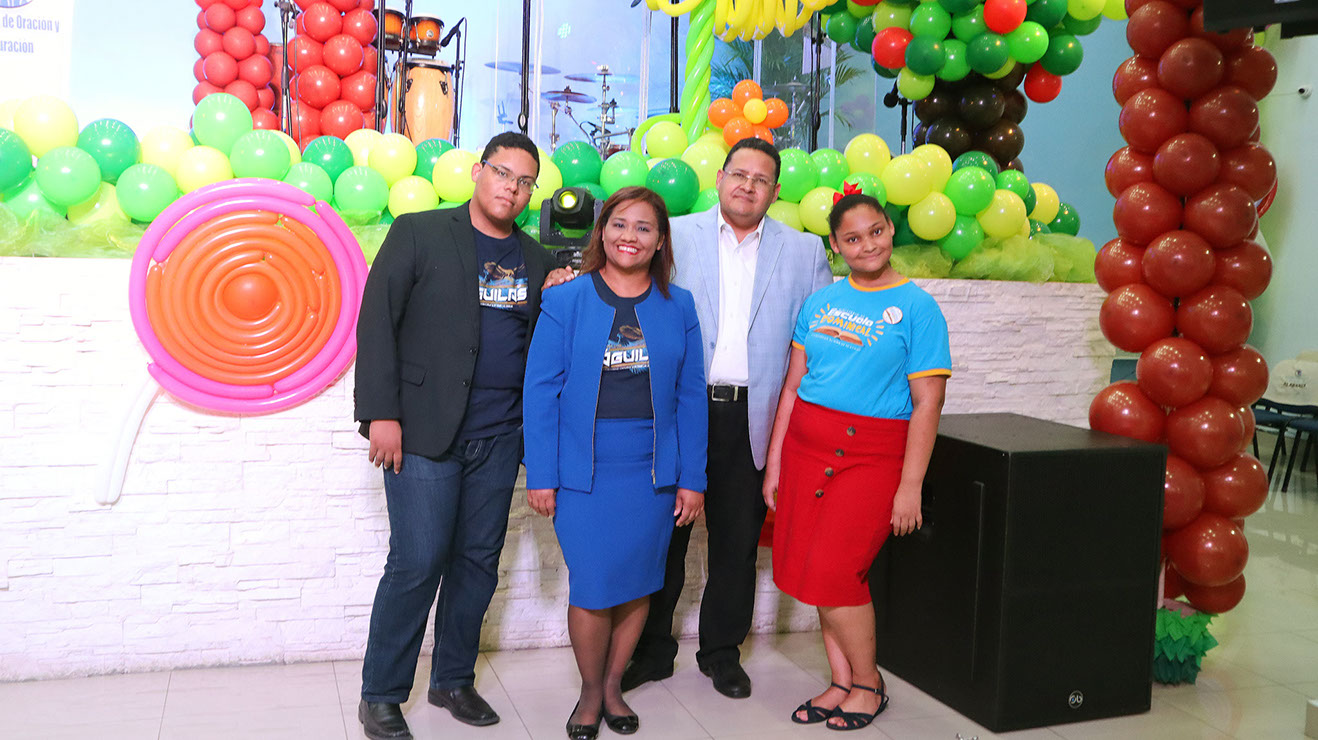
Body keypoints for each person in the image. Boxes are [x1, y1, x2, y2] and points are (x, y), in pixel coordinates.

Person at [353, 132, 572, 740]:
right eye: (503, 173)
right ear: (478, 172)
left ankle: (452, 680)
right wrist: (381, 413)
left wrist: (563, 290)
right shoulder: (418, 232)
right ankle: (381, 694)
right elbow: (377, 321)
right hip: (422, 431)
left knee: (477, 563)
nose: (512, 188)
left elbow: (543, 346)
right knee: (418, 560)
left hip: (499, 436)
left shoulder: (535, 260)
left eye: (525, 182)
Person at [622, 137, 835, 699]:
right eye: (739, 174)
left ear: (776, 191)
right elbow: (625, 285)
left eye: (761, 179)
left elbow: (817, 343)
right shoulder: (674, 234)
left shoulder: (804, 251)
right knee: (663, 538)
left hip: (754, 417)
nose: (747, 186)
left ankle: (721, 653)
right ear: (719, 178)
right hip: (680, 410)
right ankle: (651, 651)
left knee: (736, 545)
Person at [522, 186, 708, 740]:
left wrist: (692, 479)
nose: (630, 236)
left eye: (644, 227)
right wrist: (542, 474)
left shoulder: (680, 306)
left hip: (652, 472)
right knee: (593, 585)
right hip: (583, 470)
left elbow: (691, 396)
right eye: (619, 224)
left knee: (637, 584)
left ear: (661, 240)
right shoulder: (565, 300)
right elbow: (539, 392)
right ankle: (588, 692)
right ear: (601, 233)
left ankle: (612, 688)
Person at [762, 191, 950, 731]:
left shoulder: (918, 307)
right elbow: (792, 387)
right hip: (805, 449)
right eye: (852, 238)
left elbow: (928, 402)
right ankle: (840, 682)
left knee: (837, 571)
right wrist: (775, 464)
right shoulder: (820, 302)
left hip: (871, 455)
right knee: (813, 572)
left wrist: (910, 485)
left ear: (890, 230)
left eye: (875, 232)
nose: (867, 245)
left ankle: (869, 684)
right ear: (836, 246)